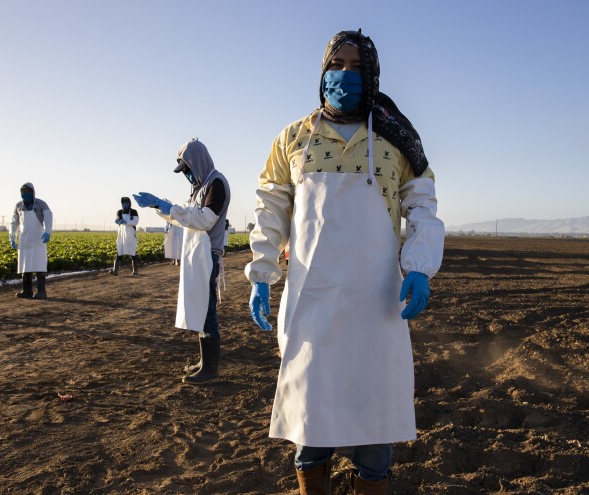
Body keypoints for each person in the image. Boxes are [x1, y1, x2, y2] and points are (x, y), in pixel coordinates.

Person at [244, 30, 444, 494]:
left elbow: (422, 206)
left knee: (374, 432)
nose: (346, 75)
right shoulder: (294, 137)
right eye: (338, 65)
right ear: (322, 71)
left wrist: (418, 265)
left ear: (372, 74)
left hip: (376, 305)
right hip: (312, 304)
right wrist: (261, 273)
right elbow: (269, 207)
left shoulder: (398, 139)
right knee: (310, 428)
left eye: (357, 67)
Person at [134, 138, 231, 385]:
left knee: (207, 309)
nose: (186, 175)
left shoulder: (216, 183)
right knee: (199, 306)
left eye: (187, 169)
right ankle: (203, 361)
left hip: (208, 254)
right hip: (195, 255)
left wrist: (171, 207)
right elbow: (184, 218)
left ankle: (211, 368)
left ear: (197, 163)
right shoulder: (200, 188)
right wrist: (160, 206)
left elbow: (204, 220)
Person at [10, 182, 53, 299]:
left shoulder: (41, 204)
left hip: (38, 239)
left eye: (27, 192)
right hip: (24, 239)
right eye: (23, 192)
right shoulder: (18, 206)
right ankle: (27, 291)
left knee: (39, 266)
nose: (25, 194)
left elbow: (48, 217)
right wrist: (12, 237)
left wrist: (47, 231)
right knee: (25, 266)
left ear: (33, 192)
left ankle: (41, 292)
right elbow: (14, 223)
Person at [109, 196, 139, 276]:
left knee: (132, 252)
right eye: (123, 203)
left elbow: (135, 222)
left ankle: (135, 271)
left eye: (126, 203)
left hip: (130, 234)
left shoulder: (133, 212)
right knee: (119, 251)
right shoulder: (119, 212)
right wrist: (118, 221)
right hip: (121, 234)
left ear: (129, 204)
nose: (125, 205)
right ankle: (115, 270)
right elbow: (118, 220)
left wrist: (126, 221)